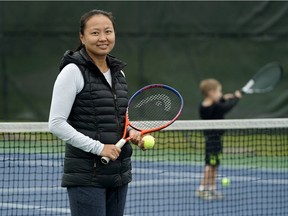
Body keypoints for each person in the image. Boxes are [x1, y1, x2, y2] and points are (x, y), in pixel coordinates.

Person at [48, 9, 144, 216]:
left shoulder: (119, 73)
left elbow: (119, 117)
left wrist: (132, 133)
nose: (103, 38)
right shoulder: (72, 72)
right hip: (86, 176)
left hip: (118, 174)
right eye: (95, 33)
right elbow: (56, 123)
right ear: (82, 37)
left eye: (108, 31)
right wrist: (99, 148)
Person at [195, 78, 242, 200]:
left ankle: (212, 188)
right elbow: (225, 108)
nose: (221, 94)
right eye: (219, 91)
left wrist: (223, 98)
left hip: (218, 140)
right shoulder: (212, 107)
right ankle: (201, 189)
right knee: (209, 165)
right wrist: (236, 97)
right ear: (211, 92)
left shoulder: (205, 105)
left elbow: (218, 103)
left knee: (215, 164)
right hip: (211, 141)